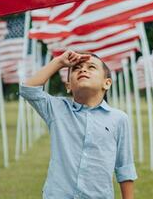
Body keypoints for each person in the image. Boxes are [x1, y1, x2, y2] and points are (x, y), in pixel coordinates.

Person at [19, 50, 137, 199]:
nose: (83, 69)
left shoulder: (119, 119)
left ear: (106, 83)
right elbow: (28, 89)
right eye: (76, 68)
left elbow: (124, 167)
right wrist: (60, 62)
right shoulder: (57, 109)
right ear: (68, 86)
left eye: (91, 67)